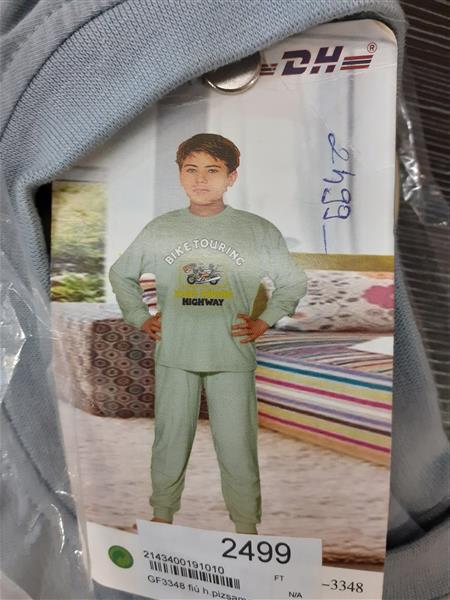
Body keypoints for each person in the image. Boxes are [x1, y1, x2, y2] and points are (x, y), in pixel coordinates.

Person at [109, 133, 307, 534]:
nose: (201, 179)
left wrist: (265, 320)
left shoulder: (256, 230)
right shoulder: (162, 228)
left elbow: (292, 281)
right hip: (175, 353)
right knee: (170, 438)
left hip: (231, 354)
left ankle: (246, 526)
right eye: (191, 169)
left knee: (237, 443)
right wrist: (140, 316)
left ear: (231, 177)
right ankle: (162, 515)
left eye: (212, 170)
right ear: (180, 175)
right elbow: (121, 273)